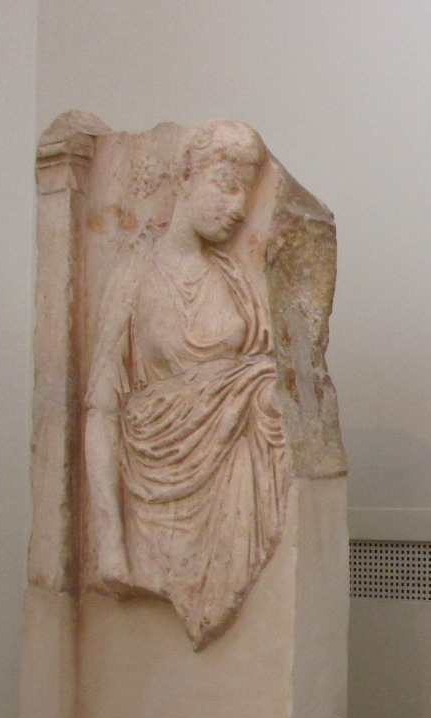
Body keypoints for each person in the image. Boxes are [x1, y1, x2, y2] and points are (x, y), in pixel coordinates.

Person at [84, 119, 287, 647]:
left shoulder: (239, 281)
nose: (239, 207)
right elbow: (102, 410)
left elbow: (265, 391)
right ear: (184, 179)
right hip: (155, 499)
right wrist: (110, 540)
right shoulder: (134, 275)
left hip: (232, 486)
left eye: (246, 193)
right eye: (226, 184)